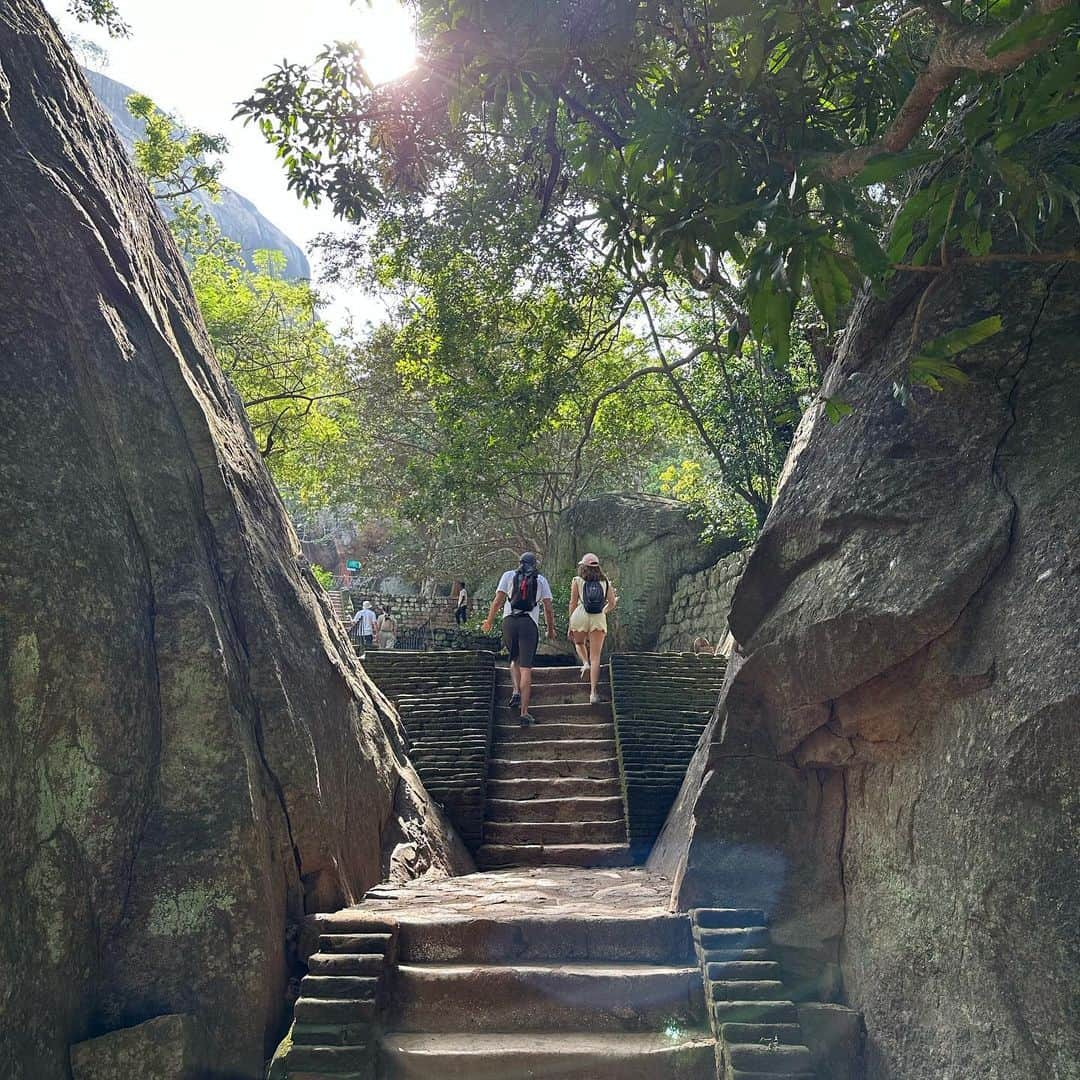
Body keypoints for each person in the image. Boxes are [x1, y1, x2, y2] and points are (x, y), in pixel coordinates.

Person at [482, 552, 556, 725]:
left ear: (520, 563)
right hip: (529, 624)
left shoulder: (508, 576)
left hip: (509, 622)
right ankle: (524, 713)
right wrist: (550, 629)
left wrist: (489, 621)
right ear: (535, 564)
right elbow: (548, 608)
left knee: (513, 659)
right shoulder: (541, 580)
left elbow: (497, 601)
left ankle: (515, 691)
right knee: (526, 668)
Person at [568, 552, 617, 705]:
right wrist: (603, 611)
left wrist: (571, 623)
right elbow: (612, 603)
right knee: (596, 657)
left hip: (580, 615)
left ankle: (585, 663)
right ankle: (593, 693)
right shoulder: (605, 582)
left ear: (583, 566)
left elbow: (573, 603)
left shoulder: (577, 580)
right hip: (598, 618)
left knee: (579, 643)